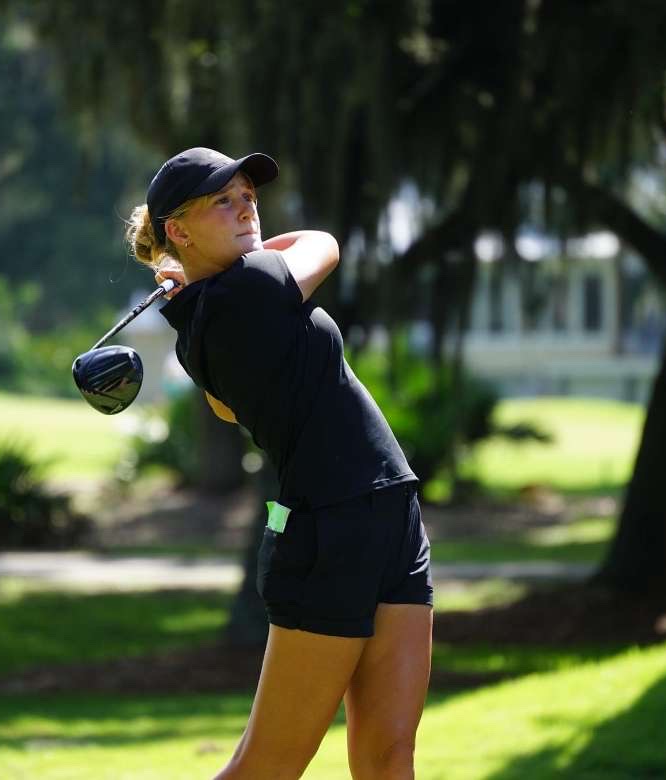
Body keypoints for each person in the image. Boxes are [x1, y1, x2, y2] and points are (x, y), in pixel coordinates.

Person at [126, 147, 432, 779]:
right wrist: (192, 270)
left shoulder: (201, 321)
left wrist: (184, 270)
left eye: (249, 198)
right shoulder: (252, 287)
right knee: (268, 764)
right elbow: (322, 243)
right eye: (223, 201)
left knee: (389, 752)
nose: (247, 211)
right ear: (176, 230)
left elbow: (227, 410)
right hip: (328, 529)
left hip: (386, 510)